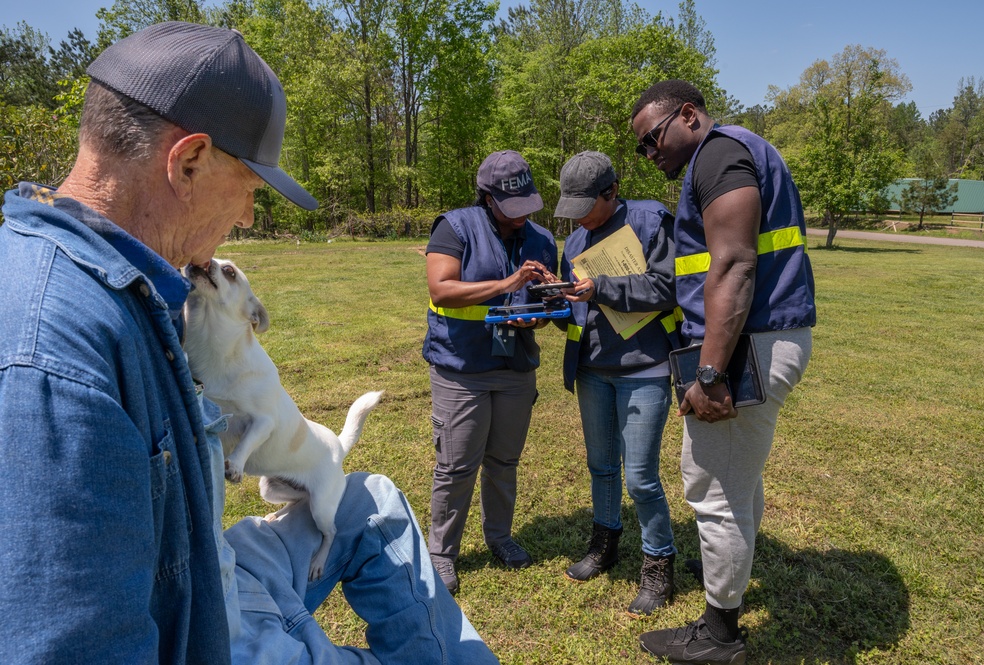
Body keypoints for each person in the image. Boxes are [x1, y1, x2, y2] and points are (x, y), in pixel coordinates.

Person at [0, 22, 497, 665]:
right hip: (214, 630)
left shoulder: (120, 285)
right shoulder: (52, 359)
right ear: (188, 161)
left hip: (210, 565)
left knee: (371, 500)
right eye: (250, 190)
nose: (246, 218)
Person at [630, 79, 816, 664]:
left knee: (713, 484)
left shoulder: (718, 154)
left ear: (689, 115)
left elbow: (733, 265)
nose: (649, 152)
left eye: (652, 138)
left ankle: (719, 635)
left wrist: (709, 375)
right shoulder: (733, 153)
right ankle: (725, 589)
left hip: (744, 348)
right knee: (737, 480)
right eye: (641, 147)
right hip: (762, 339)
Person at [552, 151, 684, 617]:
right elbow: (579, 314)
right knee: (601, 466)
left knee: (641, 477)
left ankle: (658, 562)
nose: (579, 221)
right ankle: (604, 543)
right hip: (593, 369)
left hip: (644, 368)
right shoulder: (573, 245)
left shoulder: (651, 222)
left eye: (586, 207)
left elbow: (670, 287)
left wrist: (602, 287)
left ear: (611, 191)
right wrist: (553, 299)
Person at [422, 150, 558, 594]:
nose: (520, 218)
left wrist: (535, 317)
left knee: (504, 461)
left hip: (515, 367)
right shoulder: (455, 227)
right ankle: (442, 554)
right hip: (462, 368)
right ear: (486, 197)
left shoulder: (541, 238)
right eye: (509, 208)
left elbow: (547, 307)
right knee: (457, 465)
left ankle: (499, 537)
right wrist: (506, 285)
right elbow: (441, 290)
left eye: (526, 208)